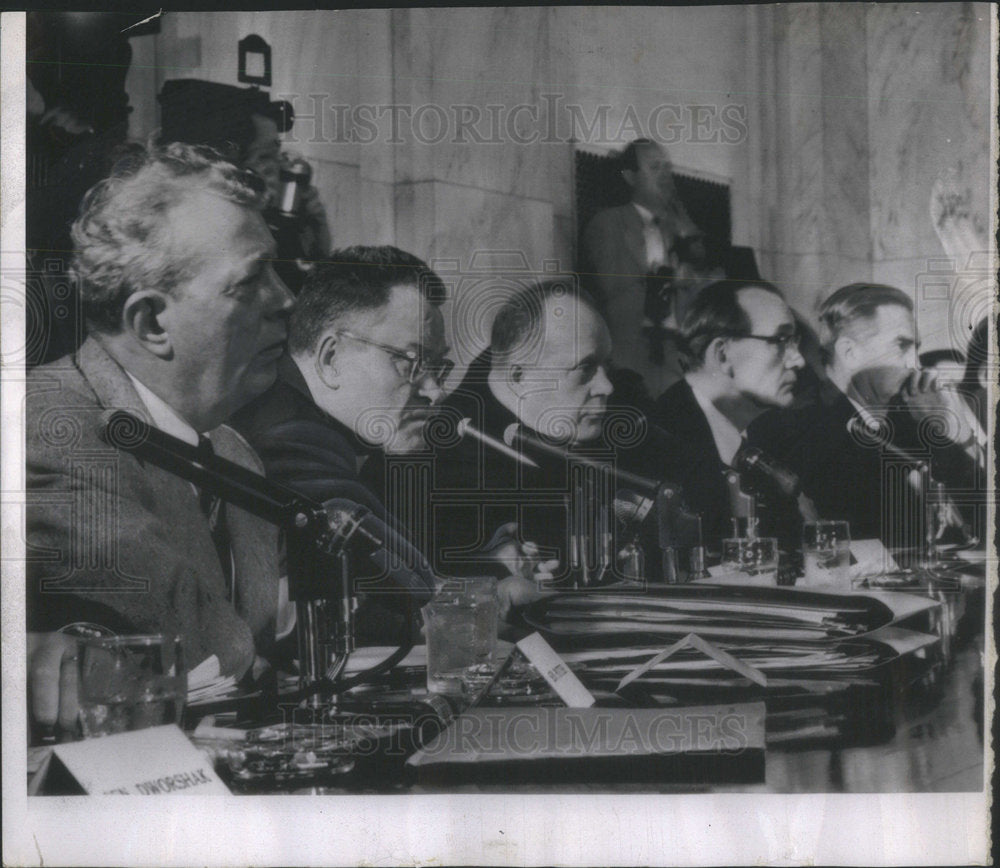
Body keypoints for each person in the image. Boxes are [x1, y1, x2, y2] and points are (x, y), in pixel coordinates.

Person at [26, 142, 295, 735]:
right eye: (251, 282)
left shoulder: (232, 453)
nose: (285, 299)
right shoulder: (45, 427)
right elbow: (199, 648)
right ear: (151, 323)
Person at [231, 247, 536, 624]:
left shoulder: (308, 420)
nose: (434, 390)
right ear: (330, 357)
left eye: (437, 367)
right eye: (411, 362)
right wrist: (492, 597)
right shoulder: (290, 436)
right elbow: (368, 604)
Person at [432, 280, 676, 587]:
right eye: (585, 368)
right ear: (519, 375)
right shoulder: (442, 459)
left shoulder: (632, 425)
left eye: (606, 366)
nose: (606, 387)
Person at [750, 283, 983, 546]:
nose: (915, 364)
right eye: (902, 346)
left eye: (916, 348)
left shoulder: (912, 419)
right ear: (850, 352)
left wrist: (956, 435)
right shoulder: (789, 429)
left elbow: (986, 524)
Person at [653, 280, 808, 552]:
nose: (798, 361)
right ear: (722, 354)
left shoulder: (774, 436)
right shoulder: (656, 441)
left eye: (795, 342)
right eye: (781, 341)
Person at [581, 138, 701, 395]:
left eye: (668, 168)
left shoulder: (677, 231)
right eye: (655, 168)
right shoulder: (608, 223)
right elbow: (607, 288)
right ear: (630, 176)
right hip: (628, 354)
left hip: (674, 355)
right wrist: (658, 281)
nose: (666, 175)